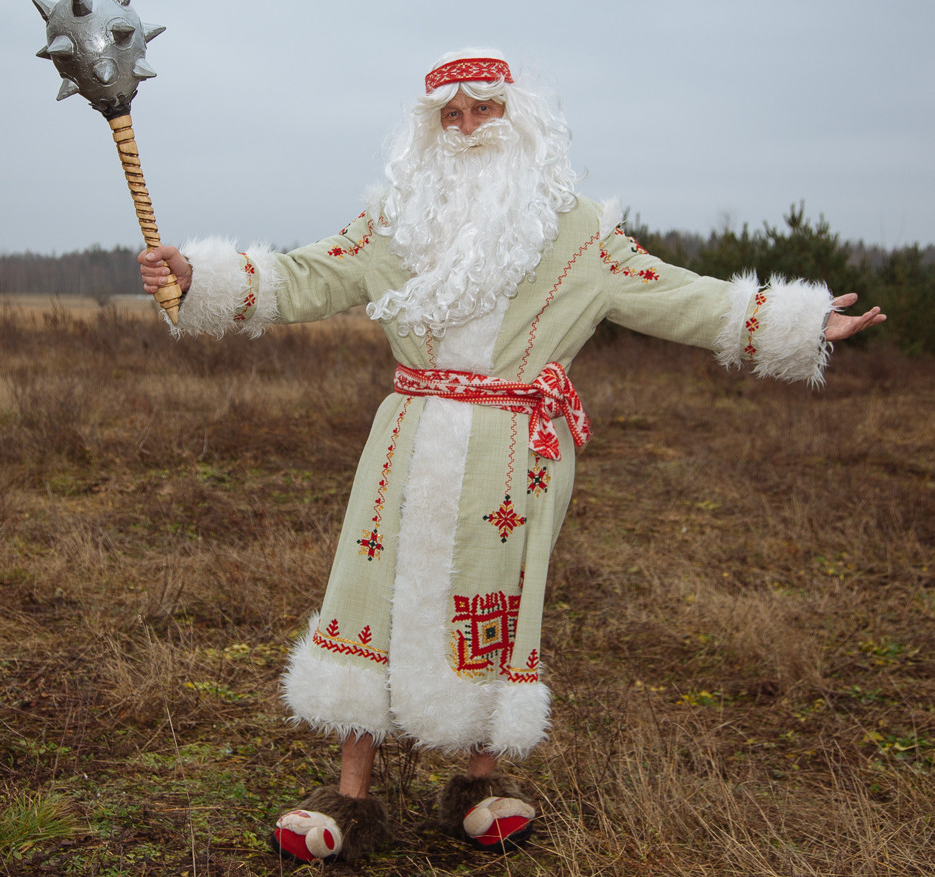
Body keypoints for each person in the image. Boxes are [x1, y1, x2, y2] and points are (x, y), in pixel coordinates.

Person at [137, 49, 885, 863]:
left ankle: (478, 780)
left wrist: (799, 321)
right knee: (371, 590)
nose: (467, 130)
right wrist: (196, 273)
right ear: (428, 131)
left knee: (492, 598)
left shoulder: (577, 235)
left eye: (483, 112)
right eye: (450, 117)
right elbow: (300, 275)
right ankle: (349, 796)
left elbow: (680, 294)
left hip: (512, 453)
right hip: (407, 439)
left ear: (520, 119)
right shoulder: (397, 223)